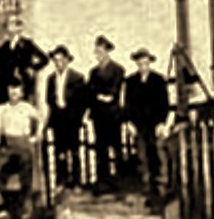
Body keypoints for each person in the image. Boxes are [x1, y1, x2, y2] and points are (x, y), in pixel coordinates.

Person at [0, 81, 42, 219]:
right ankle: (7, 205)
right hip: (8, 145)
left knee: (26, 175)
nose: (14, 93)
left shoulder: (26, 108)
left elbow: (40, 118)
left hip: (24, 145)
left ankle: (26, 209)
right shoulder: (2, 109)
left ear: (22, 93)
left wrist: (37, 135)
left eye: (17, 90)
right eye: (11, 89)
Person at [123, 49, 171, 194]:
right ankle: (146, 183)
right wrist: (129, 122)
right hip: (139, 124)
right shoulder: (131, 81)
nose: (143, 66)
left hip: (155, 124)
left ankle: (162, 183)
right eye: (140, 63)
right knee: (142, 154)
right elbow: (128, 104)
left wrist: (162, 123)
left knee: (158, 151)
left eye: (145, 63)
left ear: (149, 63)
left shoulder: (158, 80)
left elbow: (164, 104)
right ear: (137, 64)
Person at [86, 35, 125, 194]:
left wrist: (100, 95)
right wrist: (99, 96)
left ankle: (119, 180)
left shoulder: (117, 70)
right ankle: (103, 180)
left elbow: (113, 93)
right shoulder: (93, 72)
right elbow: (89, 92)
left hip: (112, 115)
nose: (98, 55)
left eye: (101, 52)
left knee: (116, 146)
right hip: (98, 115)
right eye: (96, 52)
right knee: (100, 148)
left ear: (108, 52)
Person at [45, 45, 86, 190]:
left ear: (67, 61)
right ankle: (61, 180)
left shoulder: (77, 78)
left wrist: (77, 118)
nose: (59, 63)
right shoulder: (51, 79)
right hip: (58, 119)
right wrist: (56, 108)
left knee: (74, 151)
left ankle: (76, 181)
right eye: (56, 61)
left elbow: (82, 101)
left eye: (61, 60)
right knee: (59, 152)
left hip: (72, 119)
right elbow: (48, 99)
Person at [0, 16, 48, 102]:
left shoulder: (27, 44)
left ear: (18, 28)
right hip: (9, 86)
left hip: (25, 84)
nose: (9, 27)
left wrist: (32, 68)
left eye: (12, 24)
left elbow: (44, 59)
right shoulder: (4, 46)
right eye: (7, 24)